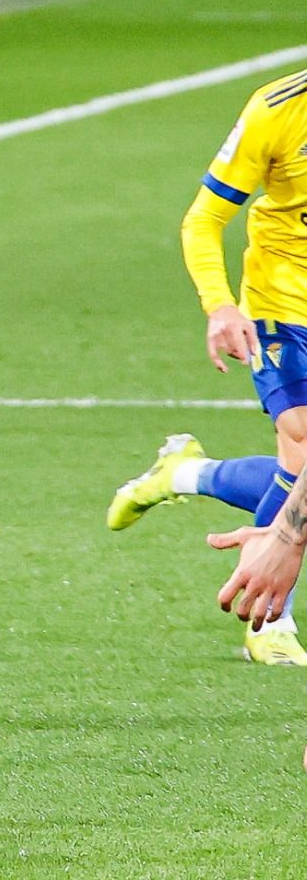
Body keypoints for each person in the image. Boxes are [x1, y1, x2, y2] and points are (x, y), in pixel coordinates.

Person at [107, 68, 307, 664]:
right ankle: (271, 620)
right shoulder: (277, 111)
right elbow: (204, 218)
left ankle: (183, 475)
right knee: (301, 443)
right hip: (283, 308)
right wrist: (219, 305)